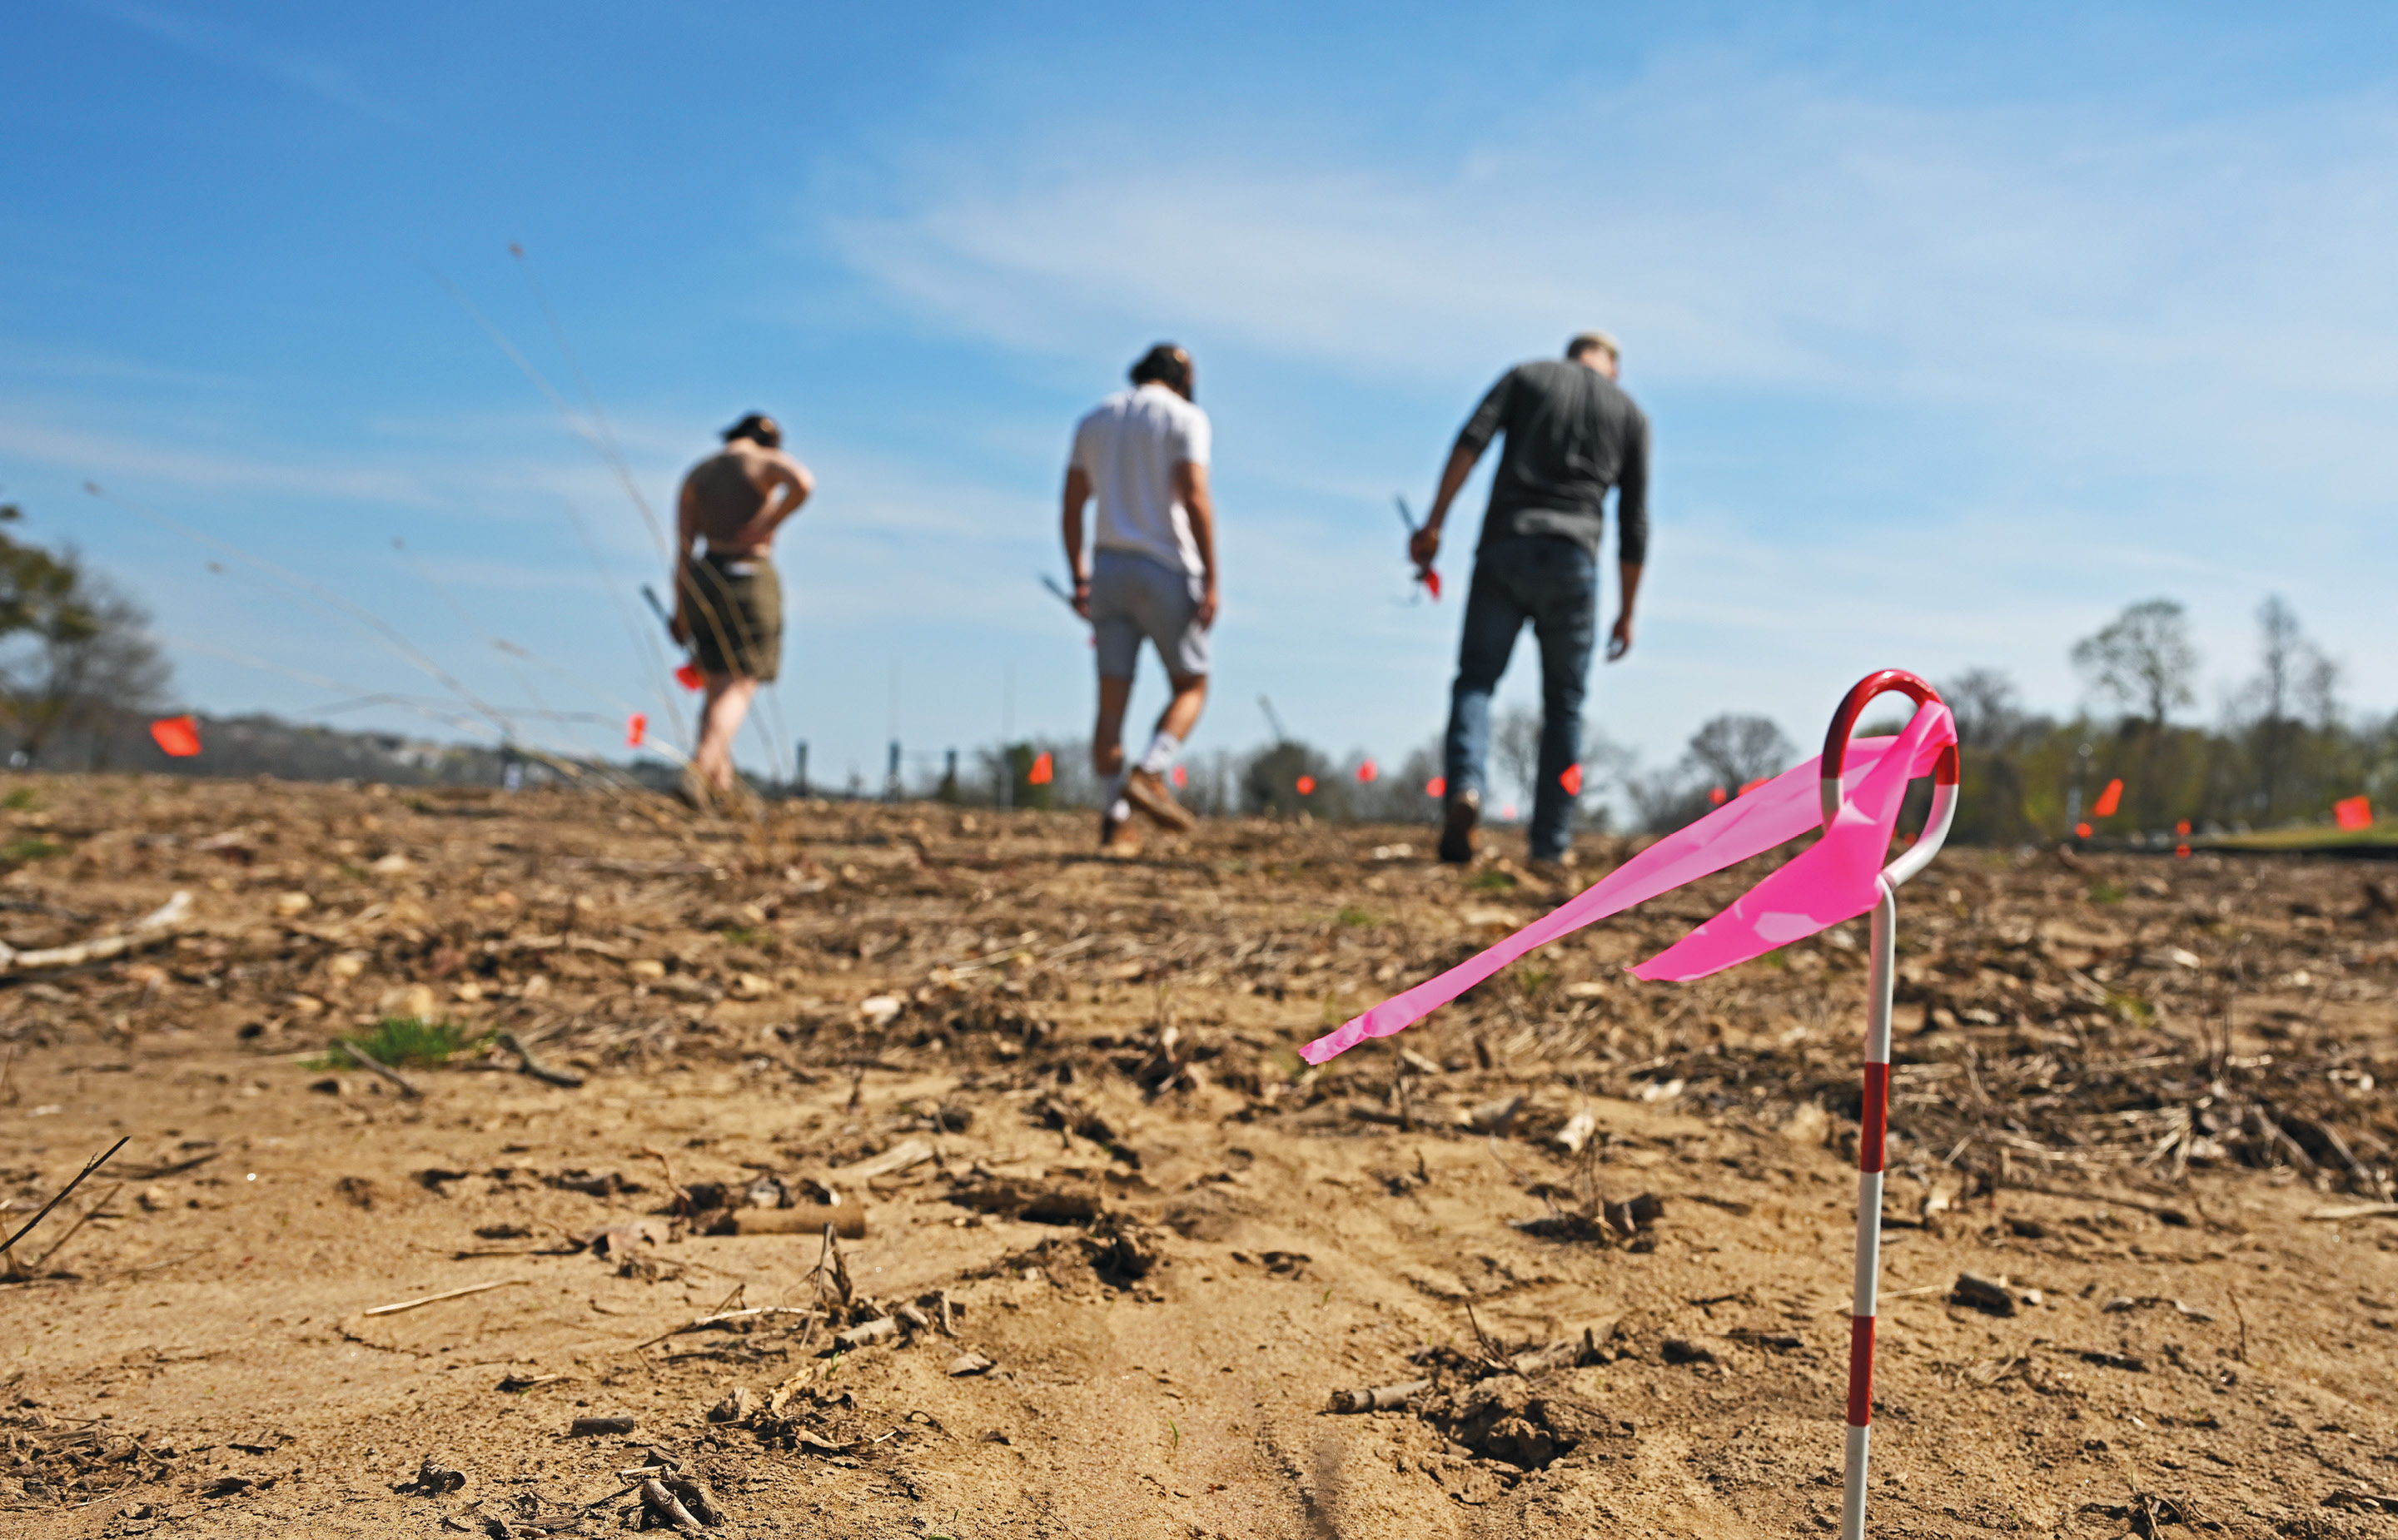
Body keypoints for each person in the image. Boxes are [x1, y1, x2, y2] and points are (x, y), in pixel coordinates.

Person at [1409, 331, 1649, 869]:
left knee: (1476, 679)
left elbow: (1470, 441)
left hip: (1504, 546)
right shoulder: (1630, 415)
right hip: (1574, 561)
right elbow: (1635, 525)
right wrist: (1628, 610)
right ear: (1614, 369)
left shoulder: (1527, 376)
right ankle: (1549, 844)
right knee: (1564, 704)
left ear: (1571, 356)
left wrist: (1434, 523)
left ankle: (1466, 789)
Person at [1061, 343, 1220, 857]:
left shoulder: (1094, 420)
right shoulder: (1185, 418)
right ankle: (1150, 770)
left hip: (1108, 566)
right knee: (1191, 684)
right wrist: (1213, 577)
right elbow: (1194, 496)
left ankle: (1115, 818)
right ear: (1182, 377)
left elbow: (1071, 504)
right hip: (1168, 567)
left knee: (1111, 704)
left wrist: (1080, 577)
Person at [670, 412, 813, 807]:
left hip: (704, 577)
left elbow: (682, 553)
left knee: (716, 684)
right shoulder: (761, 461)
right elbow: (803, 483)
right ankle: (700, 769)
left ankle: (721, 788)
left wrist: (680, 612)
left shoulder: (697, 475)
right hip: (748, 575)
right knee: (740, 682)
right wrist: (771, 519)